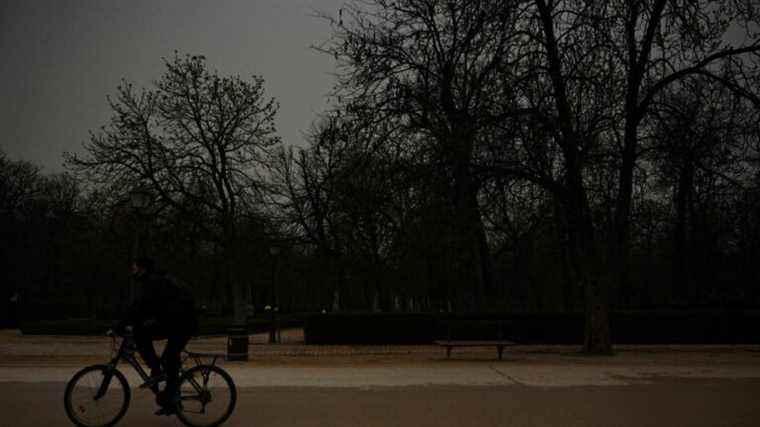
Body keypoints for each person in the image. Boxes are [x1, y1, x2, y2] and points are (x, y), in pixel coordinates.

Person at [118, 256, 198, 416]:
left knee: (167, 357)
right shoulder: (153, 281)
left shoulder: (153, 282)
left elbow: (141, 307)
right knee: (163, 354)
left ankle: (161, 379)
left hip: (183, 324)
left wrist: (120, 325)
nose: (132, 272)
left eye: (134, 268)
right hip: (175, 322)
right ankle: (166, 390)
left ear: (142, 269)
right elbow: (140, 307)